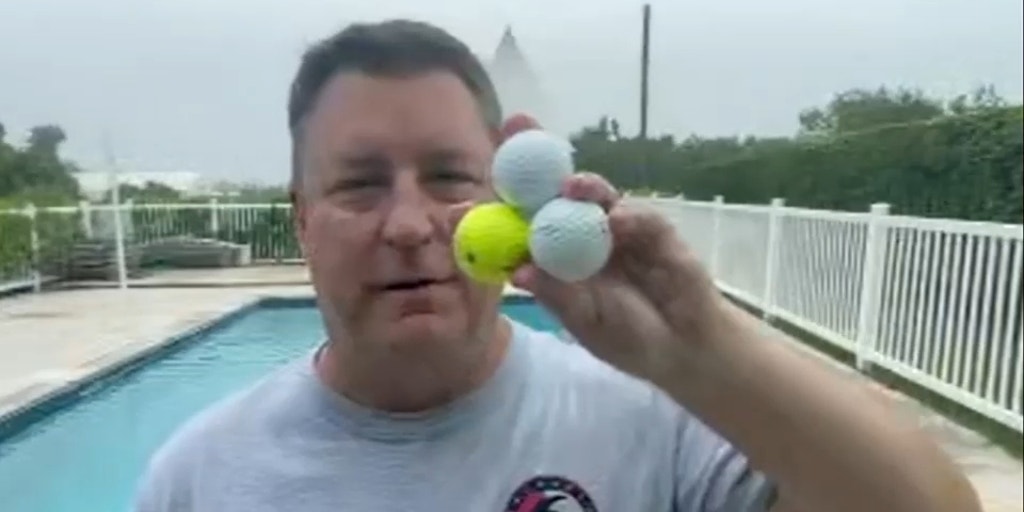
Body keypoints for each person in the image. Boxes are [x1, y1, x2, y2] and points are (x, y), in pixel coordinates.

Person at [133, 19, 981, 512]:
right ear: (302, 222)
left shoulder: (656, 422)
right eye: (358, 185)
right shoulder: (202, 478)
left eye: (449, 178)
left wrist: (706, 348)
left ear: (507, 194)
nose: (409, 223)